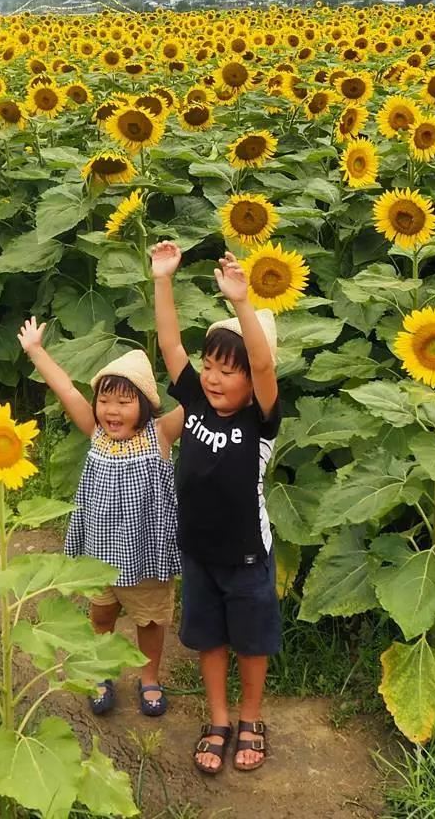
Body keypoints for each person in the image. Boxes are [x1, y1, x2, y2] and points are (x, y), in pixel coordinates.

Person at [151, 242, 282, 775]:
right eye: (209, 366)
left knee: (250, 644)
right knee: (207, 639)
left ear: (251, 384)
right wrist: (163, 279)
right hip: (199, 553)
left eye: (228, 371)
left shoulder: (261, 421)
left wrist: (242, 304)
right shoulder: (197, 403)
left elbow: (264, 361)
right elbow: (167, 344)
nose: (212, 377)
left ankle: (251, 718)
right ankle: (219, 719)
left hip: (247, 556)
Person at [17, 318, 184, 717]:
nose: (111, 410)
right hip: (101, 554)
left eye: (124, 402)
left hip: (147, 553)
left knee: (149, 620)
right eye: (105, 400)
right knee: (101, 614)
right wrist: (36, 351)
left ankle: (149, 678)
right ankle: (100, 671)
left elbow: (196, 401)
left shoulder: (160, 434)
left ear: (145, 404)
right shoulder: (94, 430)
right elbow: (65, 389)